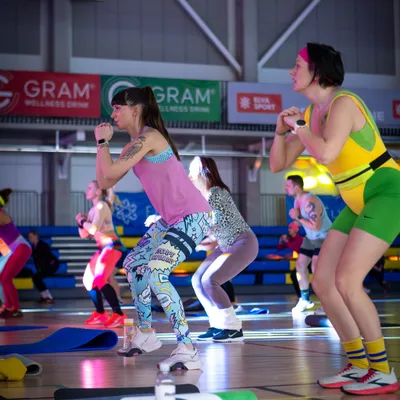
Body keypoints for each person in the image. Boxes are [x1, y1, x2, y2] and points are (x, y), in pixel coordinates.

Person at [269, 42, 400, 395]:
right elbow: (278, 164)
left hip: (386, 192)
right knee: (323, 281)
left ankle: (382, 370)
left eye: (298, 65)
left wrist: (299, 126)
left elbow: (326, 153)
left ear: (317, 72)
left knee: (347, 280)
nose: (291, 71)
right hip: (356, 201)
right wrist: (281, 131)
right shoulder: (312, 113)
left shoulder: (344, 104)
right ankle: (358, 364)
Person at [95, 86, 212, 370]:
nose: (113, 114)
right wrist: (102, 145)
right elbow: (105, 180)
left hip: (193, 216)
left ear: (136, 109)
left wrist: (102, 142)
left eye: (118, 108)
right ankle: (146, 332)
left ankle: (187, 348)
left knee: (156, 272)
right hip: (171, 219)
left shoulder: (150, 137)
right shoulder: (132, 146)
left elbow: (108, 173)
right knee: (134, 264)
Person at [189, 156, 259, 342]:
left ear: (204, 172)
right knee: (197, 280)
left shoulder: (216, 193)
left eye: (192, 170)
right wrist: (207, 240)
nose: (189, 175)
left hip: (243, 243)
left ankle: (233, 327)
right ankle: (218, 324)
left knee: (210, 280)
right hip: (225, 244)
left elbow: (208, 221)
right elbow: (215, 227)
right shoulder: (204, 197)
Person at [76, 180, 126, 328]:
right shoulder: (93, 209)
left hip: (111, 246)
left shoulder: (101, 206)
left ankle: (118, 315)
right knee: (88, 280)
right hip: (103, 248)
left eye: (89, 188)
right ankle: (100, 313)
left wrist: (83, 221)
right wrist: (80, 222)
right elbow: (85, 234)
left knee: (100, 279)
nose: (87, 190)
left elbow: (93, 229)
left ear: (98, 192)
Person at [285, 175, 332, 313]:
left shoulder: (310, 201)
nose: (286, 188)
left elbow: (316, 226)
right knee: (300, 265)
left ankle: (327, 303)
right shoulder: (296, 201)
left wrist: (298, 217)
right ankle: (305, 300)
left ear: (296, 187)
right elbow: (300, 221)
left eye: (288, 186)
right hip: (310, 238)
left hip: (324, 237)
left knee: (316, 268)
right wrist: (294, 225)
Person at [0, 189, 32, 318]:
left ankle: (16, 309)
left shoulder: (1, 215)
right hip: (17, 248)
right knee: (3, 277)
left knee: (6, 278)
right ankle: (8, 307)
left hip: (21, 248)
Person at [17, 230, 59, 304]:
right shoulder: (33, 247)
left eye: (31, 236)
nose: (30, 238)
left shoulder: (42, 245)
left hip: (51, 266)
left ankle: (48, 297)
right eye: (29, 237)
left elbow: (47, 257)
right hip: (44, 267)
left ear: (36, 236)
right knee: (36, 278)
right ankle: (45, 297)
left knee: (37, 278)